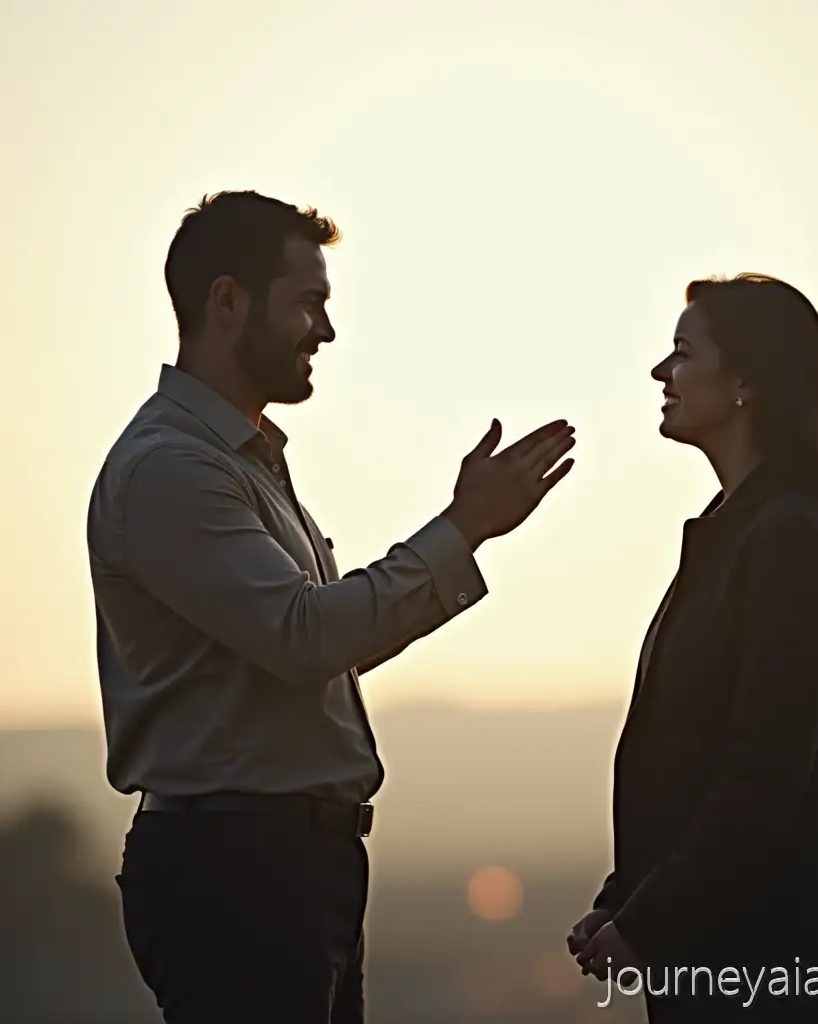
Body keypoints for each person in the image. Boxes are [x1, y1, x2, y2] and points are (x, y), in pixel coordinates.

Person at [86, 189, 576, 1024]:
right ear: (228, 301)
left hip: (284, 867)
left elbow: (315, 645)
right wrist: (464, 529)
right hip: (236, 873)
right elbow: (307, 637)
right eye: (308, 302)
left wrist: (466, 535)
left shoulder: (238, 460)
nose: (326, 330)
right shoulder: (172, 469)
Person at [567, 274, 818, 1021]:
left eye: (683, 353)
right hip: (716, 946)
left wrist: (647, 923)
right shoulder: (733, 530)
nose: (661, 373)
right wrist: (624, 902)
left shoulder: (785, 536)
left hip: (767, 955)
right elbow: (694, 757)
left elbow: (766, 776)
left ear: (747, 380)